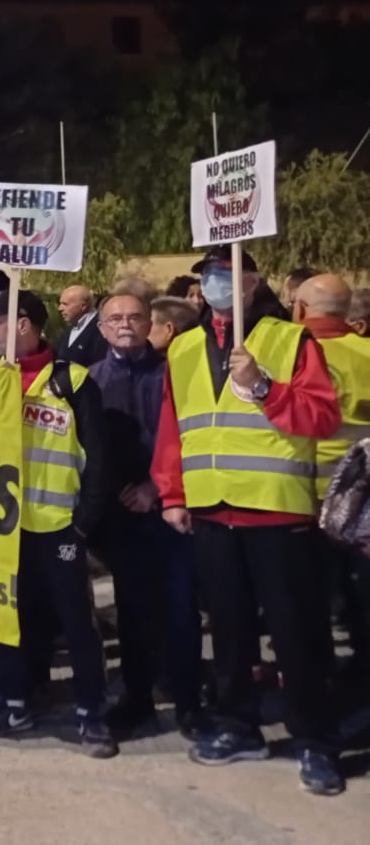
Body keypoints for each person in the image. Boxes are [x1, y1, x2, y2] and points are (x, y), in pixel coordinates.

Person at [151, 249, 344, 796]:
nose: (214, 284)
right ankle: (239, 726)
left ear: (252, 281)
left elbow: (323, 416)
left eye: (224, 274)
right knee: (230, 633)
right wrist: (173, 492)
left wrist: (263, 387)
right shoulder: (185, 346)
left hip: (276, 508)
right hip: (212, 510)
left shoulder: (290, 340)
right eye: (208, 276)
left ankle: (316, 741)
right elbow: (175, 426)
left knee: (296, 634)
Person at [0, 290, 117, 759]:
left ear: (24, 324)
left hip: (57, 528)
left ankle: (91, 712)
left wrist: (84, 523)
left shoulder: (72, 380)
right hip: (3, 529)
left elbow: (98, 458)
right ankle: (15, 702)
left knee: (76, 624)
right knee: (7, 619)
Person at [87, 291, 206, 739]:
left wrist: (155, 490)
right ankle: (137, 697)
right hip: (120, 514)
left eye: (135, 317)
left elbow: (186, 438)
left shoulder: (175, 374)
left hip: (171, 509)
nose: (125, 324)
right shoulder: (91, 380)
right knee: (132, 610)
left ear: (149, 324)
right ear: (101, 328)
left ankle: (190, 701)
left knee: (181, 608)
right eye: (115, 318)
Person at [292, 273, 370, 678]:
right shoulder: (366, 351)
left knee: (310, 599)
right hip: (362, 501)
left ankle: (317, 676)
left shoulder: (288, 352)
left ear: (300, 308)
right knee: (361, 599)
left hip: (303, 494)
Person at [55, 285, 107, 366]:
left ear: (83, 306)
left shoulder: (101, 330)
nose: (60, 308)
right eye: (60, 303)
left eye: (65, 304)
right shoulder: (68, 330)